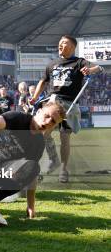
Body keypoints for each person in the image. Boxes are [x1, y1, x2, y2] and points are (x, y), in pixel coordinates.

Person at [0, 101, 66, 225]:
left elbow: (31, 174)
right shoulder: (18, 118)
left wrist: (30, 206)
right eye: (47, 116)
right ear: (39, 112)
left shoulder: (38, 143)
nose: (48, 121)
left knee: (33, 167)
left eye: (53, 122)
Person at [29, 35, 103, 183]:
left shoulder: (79, 62)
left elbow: (99, 68)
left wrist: (90, 70)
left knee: (64, 137)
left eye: (64, 43)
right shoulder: (52, 64)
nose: (60, 45)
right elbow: (43, 81)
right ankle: (47, 162)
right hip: (51, 103)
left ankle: (63, 169)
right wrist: (35, 97)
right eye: (60, 43)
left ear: (72, 47)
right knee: (42, 134)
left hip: (70, 104)